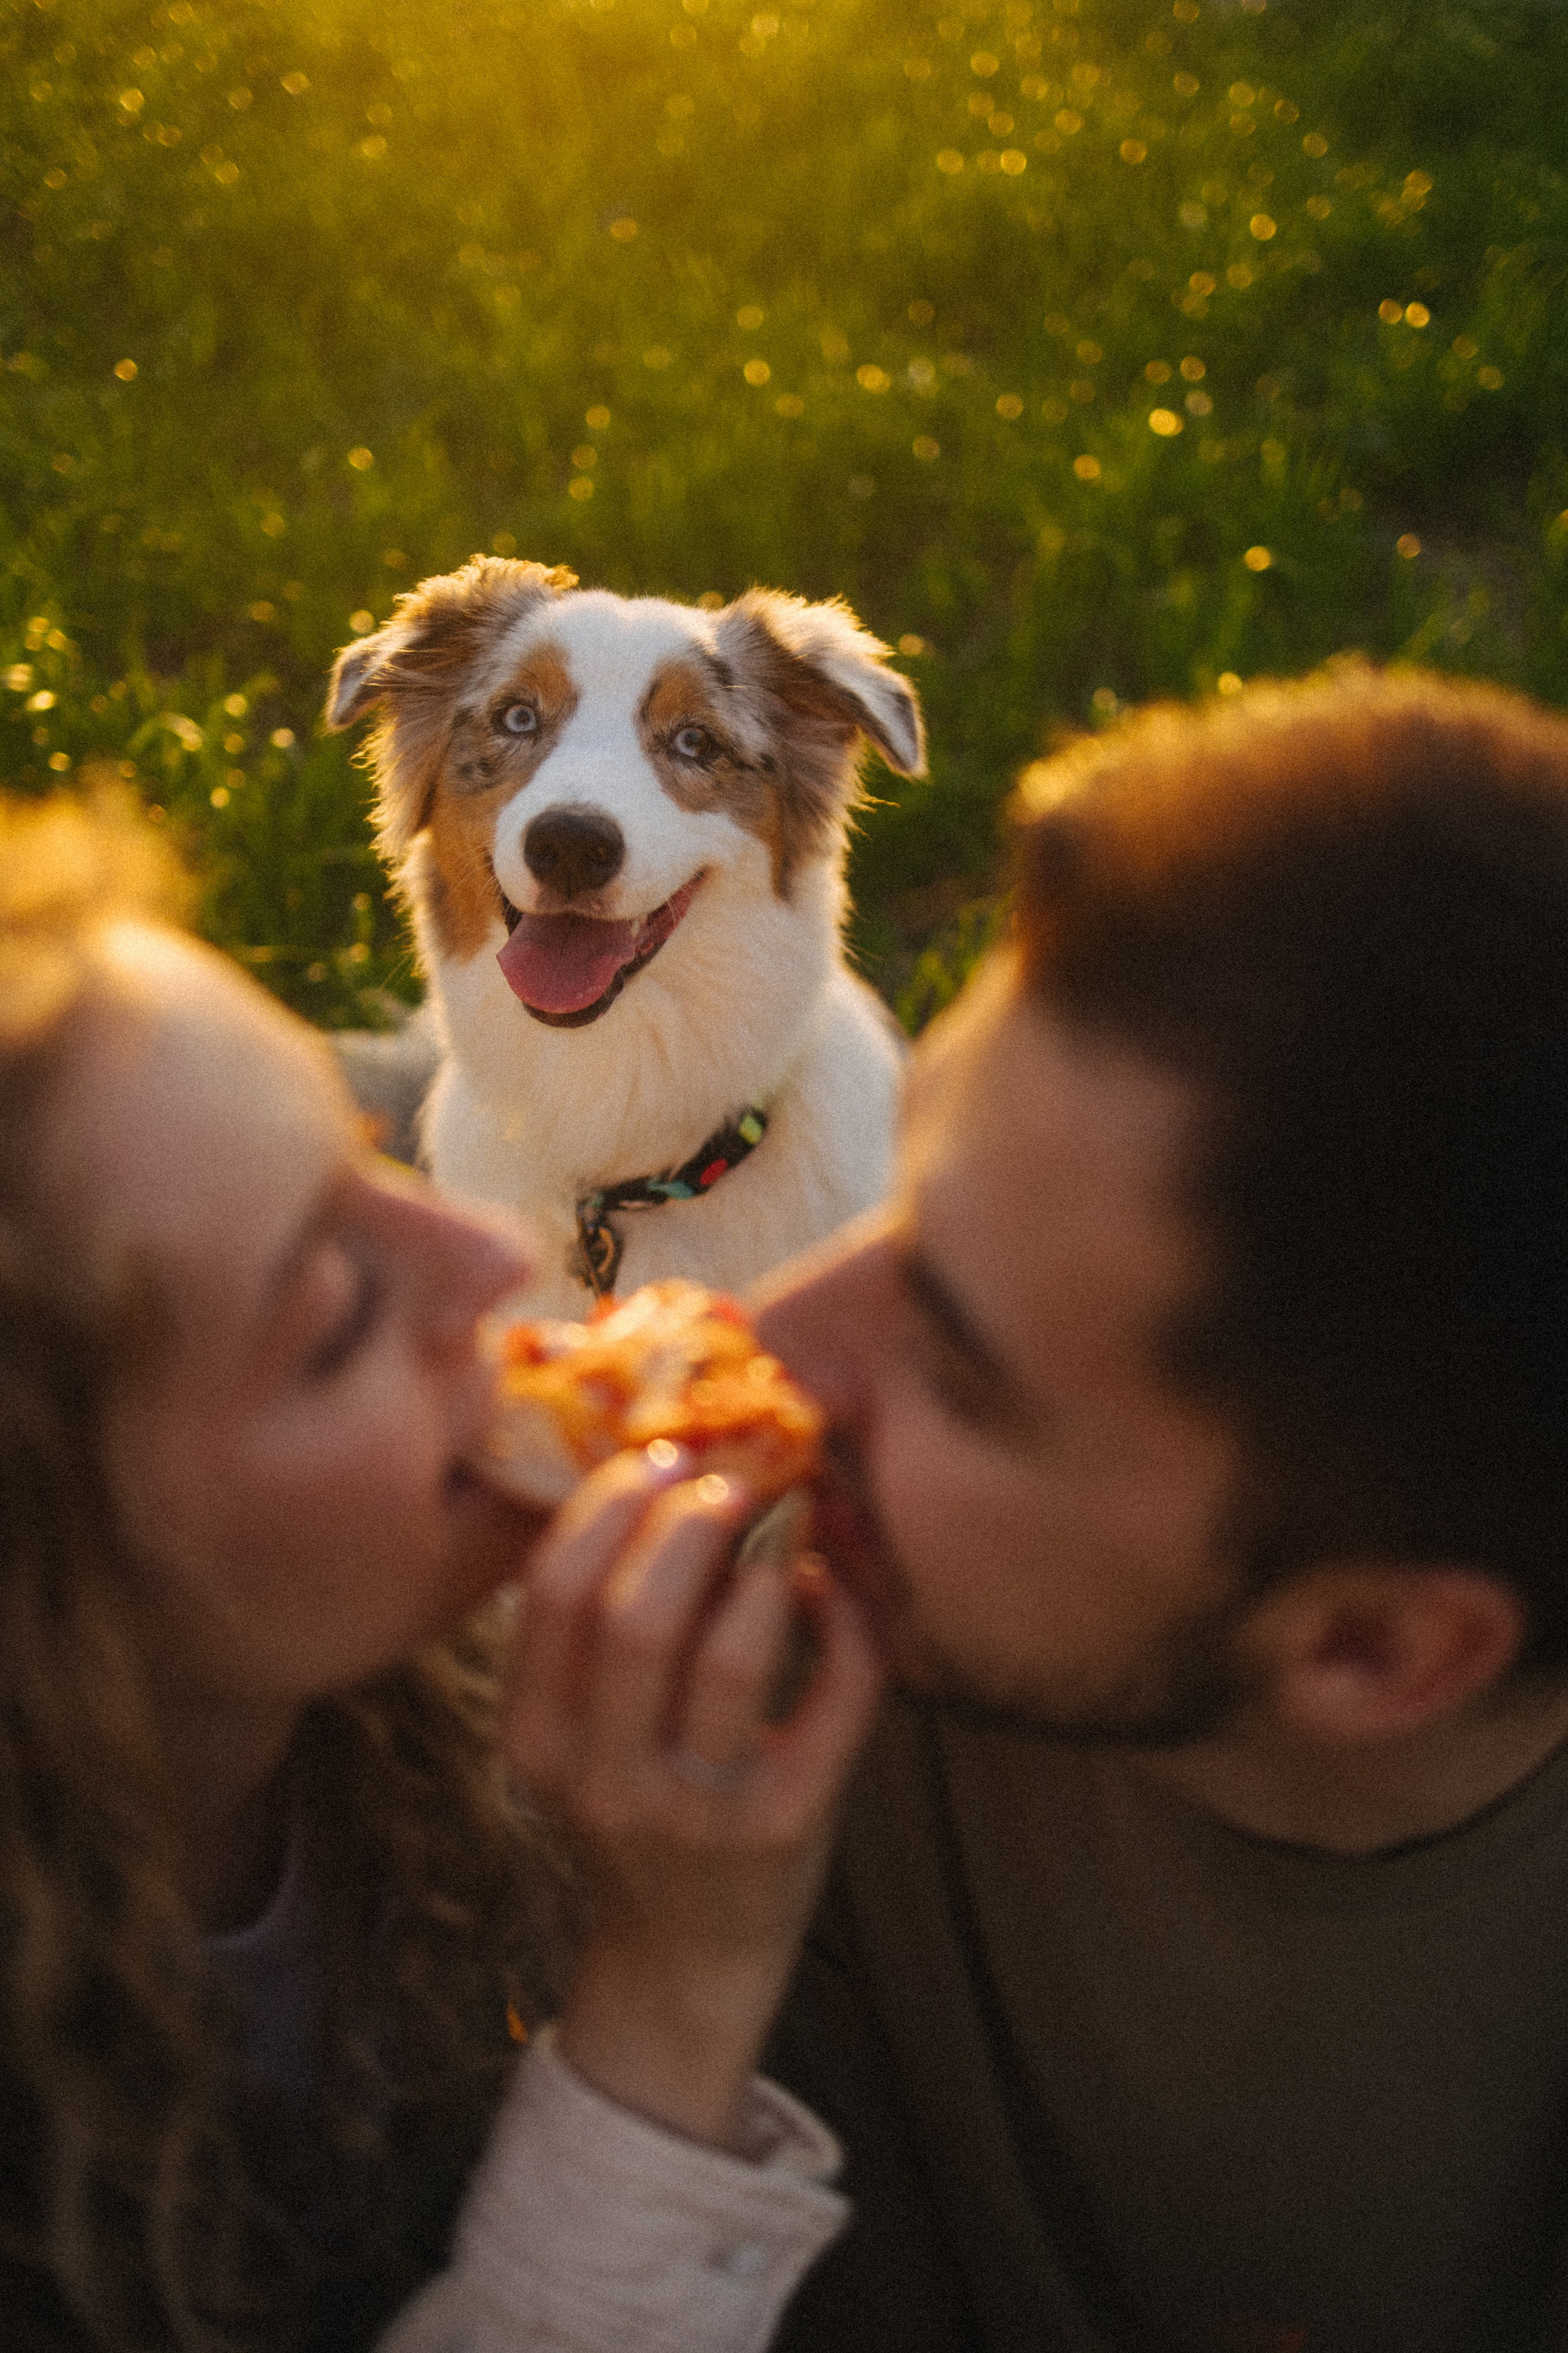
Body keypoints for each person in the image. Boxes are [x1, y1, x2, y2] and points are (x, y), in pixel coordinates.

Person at [0, 789, 882, 2352]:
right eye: (332, 1313)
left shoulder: (438, 1693)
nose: (485, 1257)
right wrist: (675, 1992)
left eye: (352, 1153)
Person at [753, 662, 1568, 2353]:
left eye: (961, 1370)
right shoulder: (801, 1644)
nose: (772, 1345)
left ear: (1370, 1645)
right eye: (897, 1194)